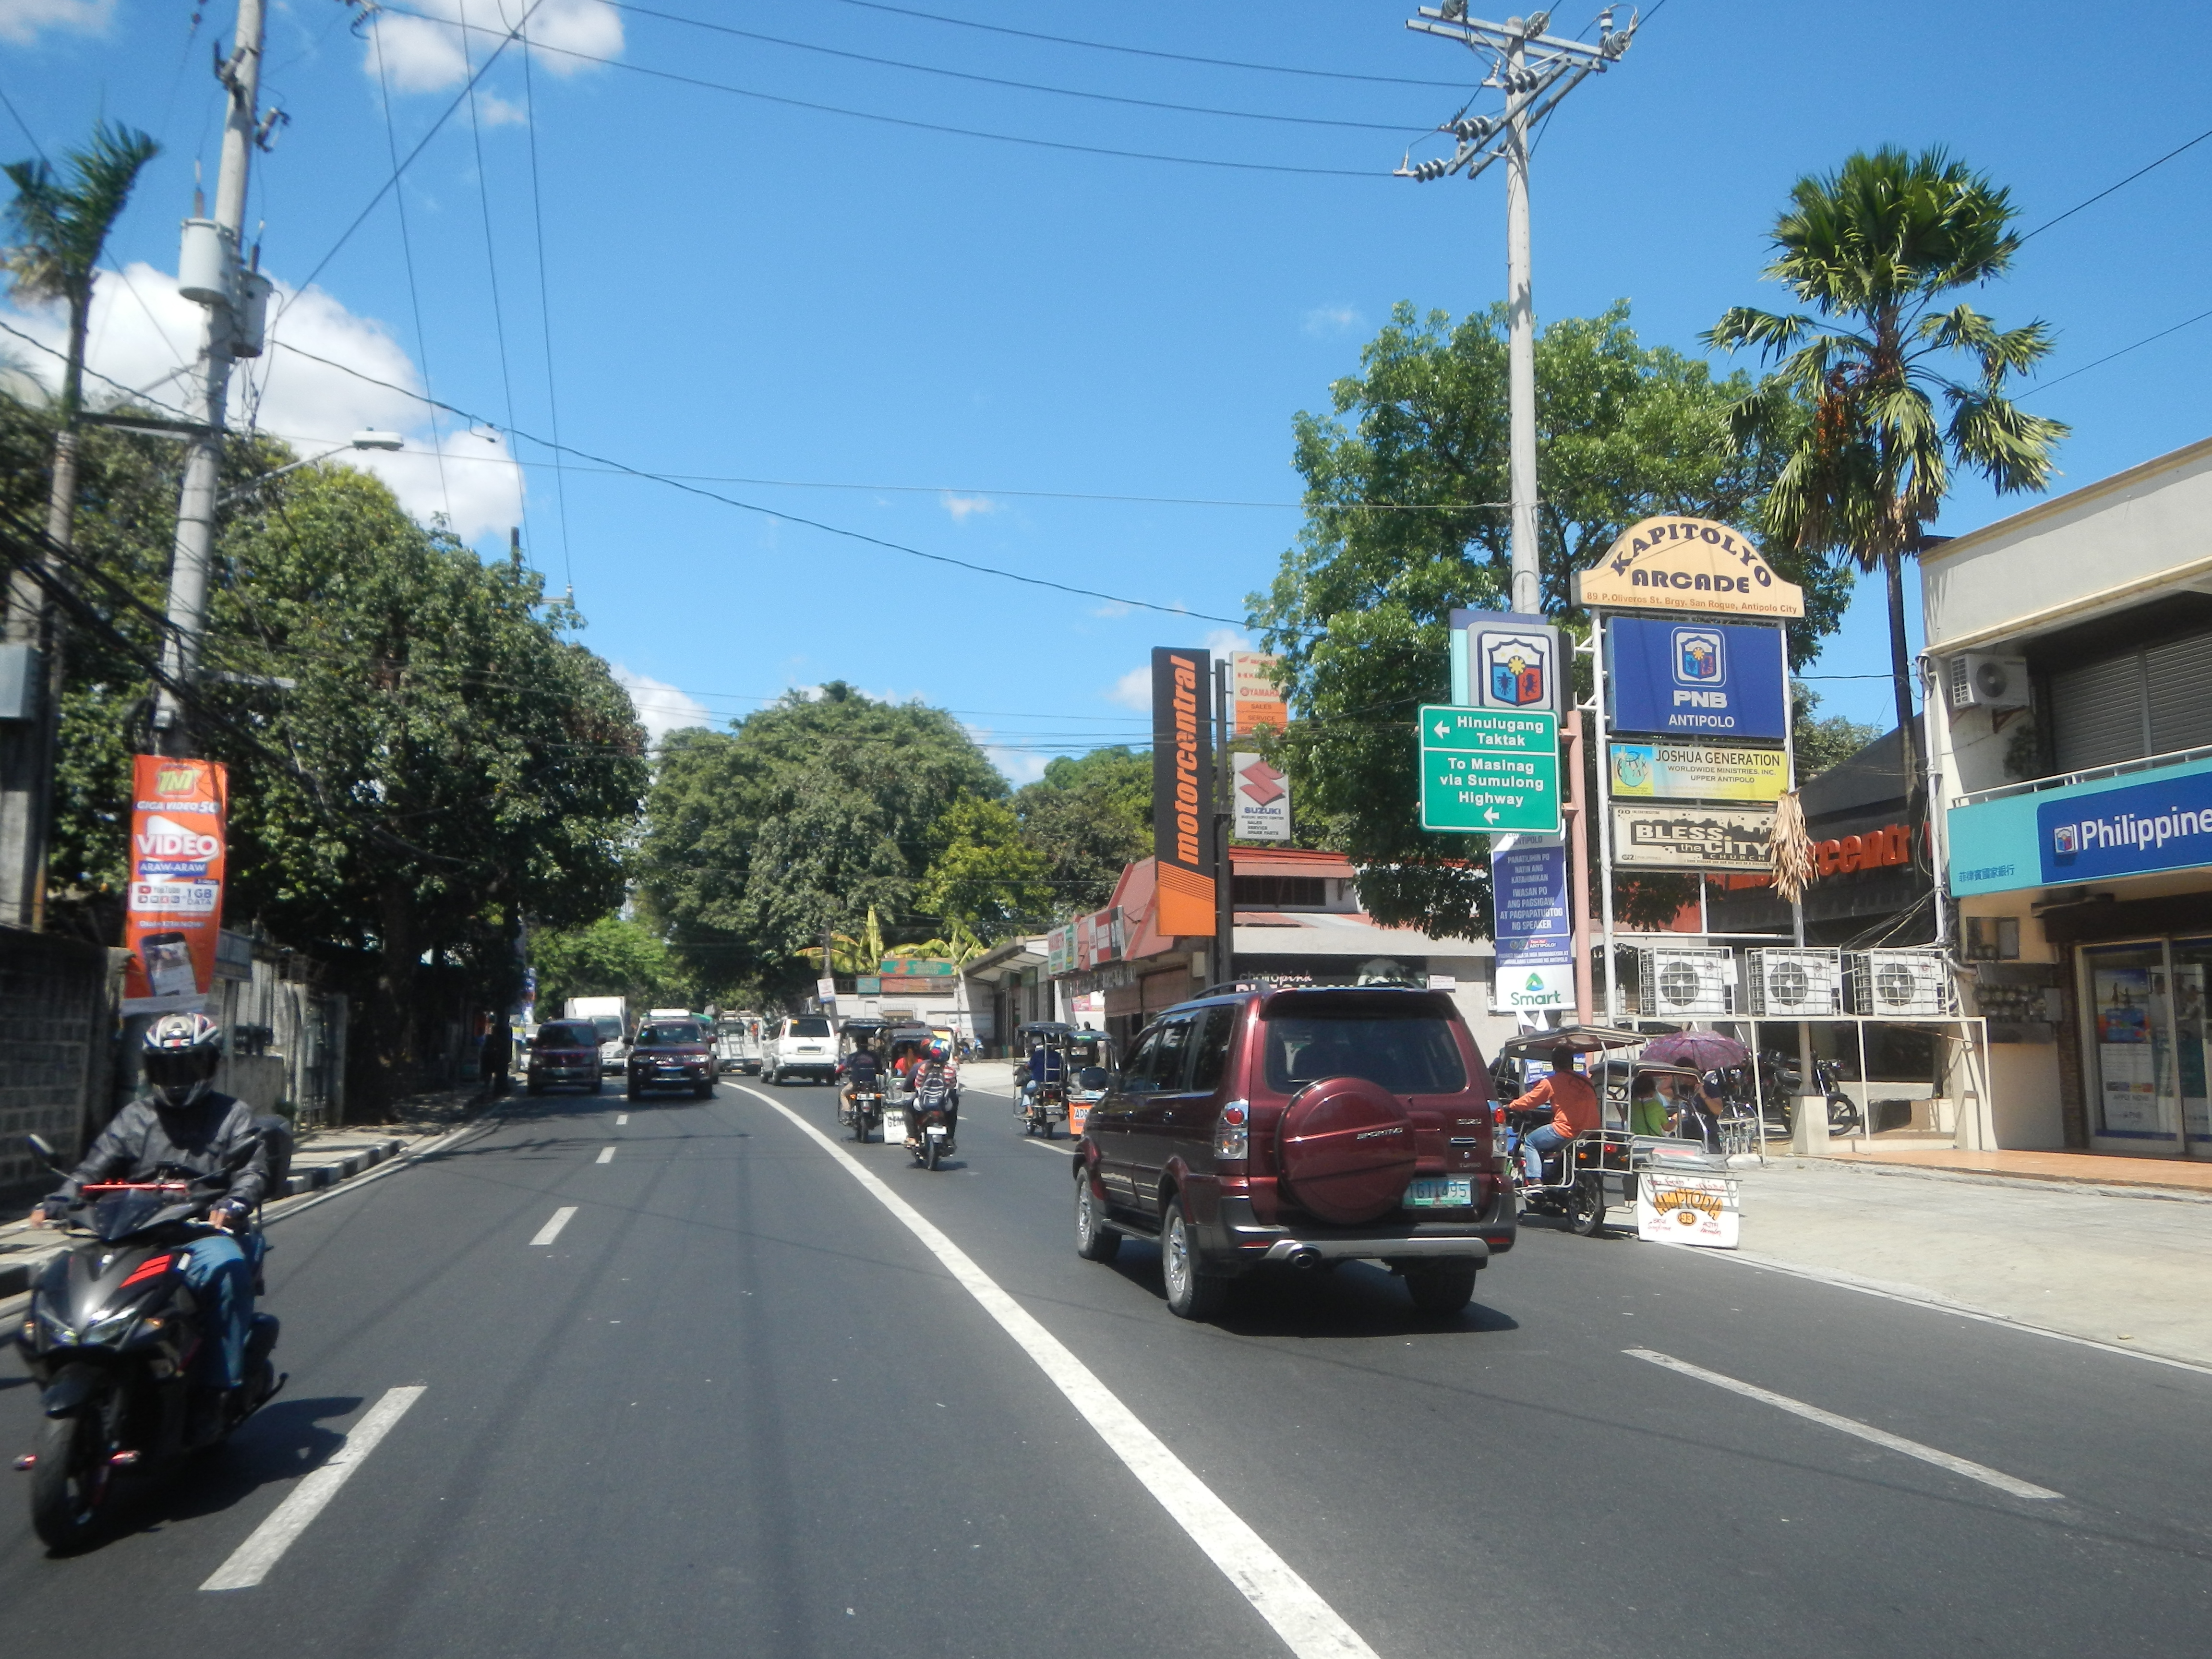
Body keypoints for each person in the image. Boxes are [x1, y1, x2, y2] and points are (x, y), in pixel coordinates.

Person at [32, 1012, 271, 1437]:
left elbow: (252, 1170)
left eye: (188, 1065)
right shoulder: (134, 1117)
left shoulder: (233, 1115)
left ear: (211, 1065)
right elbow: (93, 1168)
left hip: (197, 1230)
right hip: (132, 1230)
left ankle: (215, 1391)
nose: (177, 1077)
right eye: (166, 1067)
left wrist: (234, 1202)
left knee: (226, 1268)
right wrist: (60, 1200)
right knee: (60, 1276)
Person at [1508, 1046, 1599, 1184]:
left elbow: (1530, 1101)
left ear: (1553, 1064)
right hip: (1591, 1131)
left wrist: (1510, 1106)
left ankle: (1535, 1182)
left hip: (1567, 1131)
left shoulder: (1552, 1082)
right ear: (1572, 1063)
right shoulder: (1587, 1082)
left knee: (1531, 1142)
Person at [842, 1037, 881, 1119]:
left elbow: (842, 1067)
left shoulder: (852, 1057)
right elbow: (880, 1069)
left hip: (856, 1084)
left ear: (857, 1045)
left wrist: (837, 1072)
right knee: (880, 1094)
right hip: (872, 1084)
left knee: (843, 1094)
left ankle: (848, 1112)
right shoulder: (874, 1056)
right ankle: (878, 1112)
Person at [479, 1012, 513, 1100]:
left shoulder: (496, 1037)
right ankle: (487, 1086)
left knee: (489, 1072)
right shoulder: (488, 1038)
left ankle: (488, 1087)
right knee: (487, 1072)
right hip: (490, 1056)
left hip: (492, 1057)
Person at [1627, 1072, 1671, 1137]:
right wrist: (1675, 1119)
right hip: (1652, 1141)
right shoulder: (1656, 1106)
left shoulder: (1628, 1104)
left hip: (1633, 1139)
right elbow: (1667, 1128)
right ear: (1652, 1091)